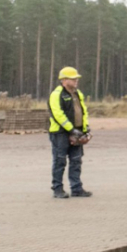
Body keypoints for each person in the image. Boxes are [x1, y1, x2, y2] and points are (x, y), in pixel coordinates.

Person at [48, 66, 91, 199]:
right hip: (60, 133)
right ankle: (57, 188)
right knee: (60, 161)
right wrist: (71, 129)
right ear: (64, 80)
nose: (76, 81)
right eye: (73, 79)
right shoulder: (56, 94)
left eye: (76, 78)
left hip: (77, 132)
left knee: (76, 161)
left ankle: (76, 188)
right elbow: (58, 115)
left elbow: (83, 112)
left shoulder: (78, 94)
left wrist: (85, 128)